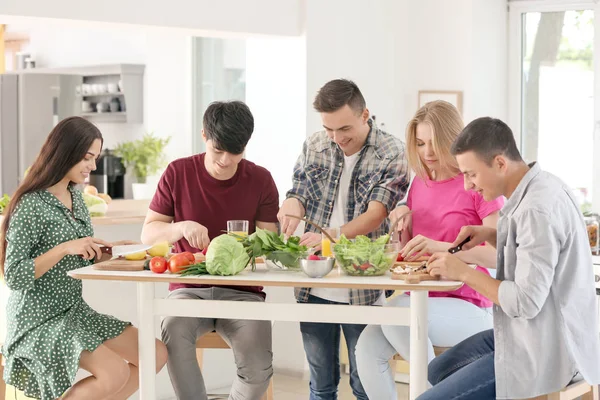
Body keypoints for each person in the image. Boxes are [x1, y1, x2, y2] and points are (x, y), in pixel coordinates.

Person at [418, 117, 600, 399]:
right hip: (535, 332)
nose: (467, 186)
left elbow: (525, 302)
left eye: (472, 174)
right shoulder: (541, 185)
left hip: (548, 349)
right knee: (437, 371)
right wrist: (491, 235)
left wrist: (463, 271)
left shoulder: (534, 210)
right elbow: (538, 255)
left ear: (500, 163)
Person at [0, 116, 167, 400]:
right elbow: (14, 277)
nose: (93, 166)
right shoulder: (31, 204)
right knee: (115, 373)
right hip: (37, 319)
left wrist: (109, 251)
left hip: (73, 310)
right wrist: (65, 248)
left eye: (96, 157)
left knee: (156, 354)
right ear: (65, 151)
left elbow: (80, 257)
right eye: (88, 157)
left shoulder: (76, 198)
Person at [355, 101, 502, 400]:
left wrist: (446, 249)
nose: (427, 152)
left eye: (435, 143)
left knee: (395, 313)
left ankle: (436, 394)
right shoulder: (419, 184)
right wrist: (402, 223)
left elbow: (499, 254)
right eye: (420, 143)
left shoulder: (475, 183)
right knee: (367, 347)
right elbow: (412, 252)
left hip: (471, 305)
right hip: (421, 297)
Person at [277, 79, 409, 400]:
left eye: (344, 128)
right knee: (321, 386)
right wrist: (291, 207)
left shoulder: (391, 152)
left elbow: (377, 212)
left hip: (363, 285)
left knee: (364, 384)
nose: (337, 139)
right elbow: (299, 191)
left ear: (365, 114)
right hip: (314, 283)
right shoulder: (315, 145)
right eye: (329, 129)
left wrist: (331, 237)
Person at [141, 101, 279, 400]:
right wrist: (180, 227)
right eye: (218, 150)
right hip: (188, 289)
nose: (226, 160)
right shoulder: (178, 172)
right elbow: (149, 232)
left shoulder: (261, 179)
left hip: (244, 291)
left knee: (258, 366)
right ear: (204, 135)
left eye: (235, 152)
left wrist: (247, 246)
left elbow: (270, 242)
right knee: (174, 331)